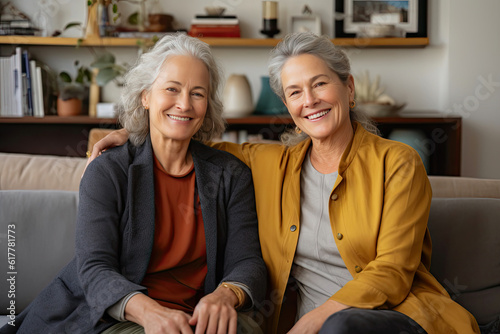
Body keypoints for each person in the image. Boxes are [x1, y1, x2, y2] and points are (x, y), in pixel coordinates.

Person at [87, 32, 480, 334]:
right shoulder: (272, 164)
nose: (310, 100)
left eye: (320, 84)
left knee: (340, 328)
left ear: (349, 89)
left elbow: (393, 271)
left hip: (393, 318)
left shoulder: (398, 163)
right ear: (288, 108)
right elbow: (185, 134)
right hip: (303, 325)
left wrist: (318, 321)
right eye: (295, 92)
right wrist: (131, 133)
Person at [5, 34, 266, 334]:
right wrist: (151, 313)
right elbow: (94, 268)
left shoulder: (231, 175)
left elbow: (248, 262)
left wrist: (224, 295)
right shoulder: (109, 170)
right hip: (116, 316)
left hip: (196, 320)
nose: (184, 104)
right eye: (172, 89)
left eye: (198, 93)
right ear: (146, 96)